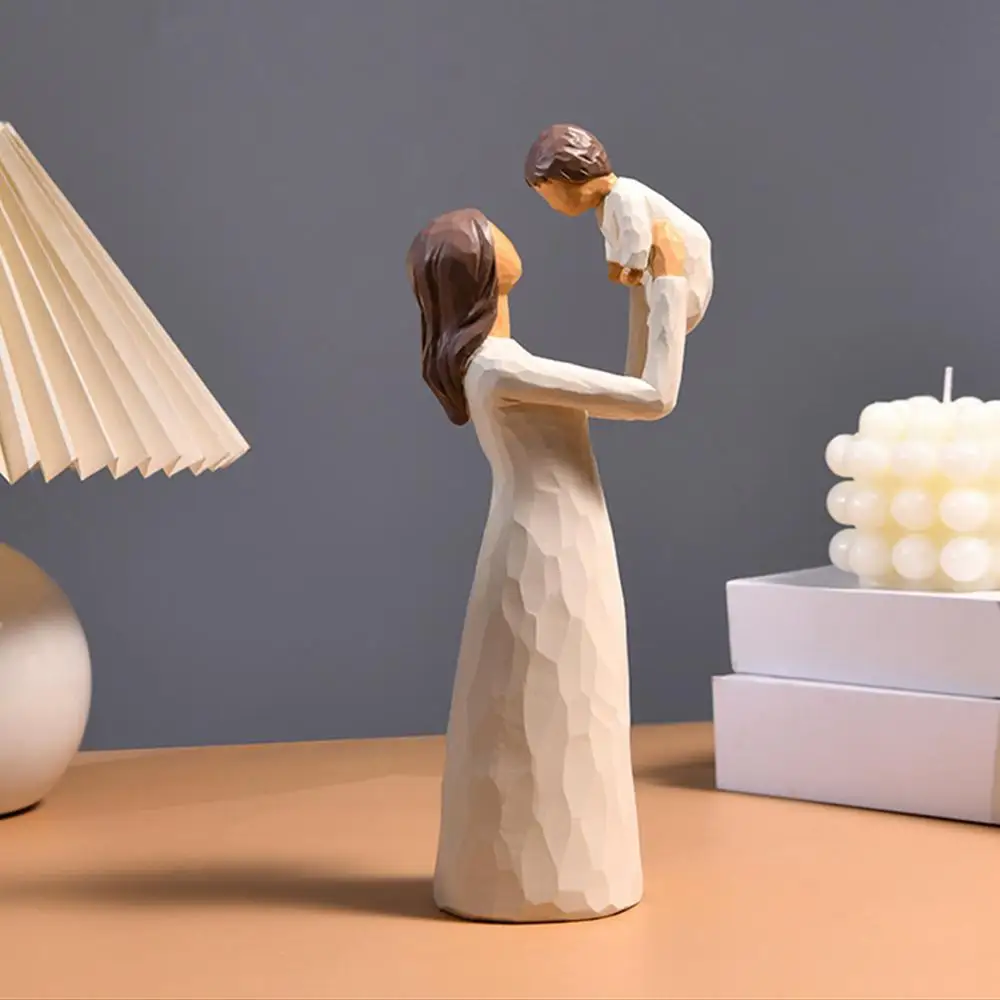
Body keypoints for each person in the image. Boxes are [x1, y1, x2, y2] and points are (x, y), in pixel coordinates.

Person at [406, 207, 690, 922]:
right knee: (549, 708)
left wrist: (647, 287)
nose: (499, 227)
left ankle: (562, 871)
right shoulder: (502, 367)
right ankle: (545, 879)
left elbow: (634, 383)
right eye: (485, 229)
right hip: (545, 554)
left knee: (569, 706)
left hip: (561, 542)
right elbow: (653, 397)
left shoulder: (498, 360)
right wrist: (670, 279)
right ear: (480, 270)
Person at [525, 123, 713, 376]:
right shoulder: (607, 205)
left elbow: (636, 235)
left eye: (551, 196)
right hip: (657, 277)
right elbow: (616, 237)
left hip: (684, 267)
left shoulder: (624, 196)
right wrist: (615, 265)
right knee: (647, 338)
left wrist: (633, 267)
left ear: (570, 179)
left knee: (660, 329)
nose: (553, 206)